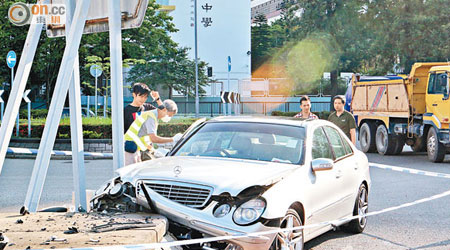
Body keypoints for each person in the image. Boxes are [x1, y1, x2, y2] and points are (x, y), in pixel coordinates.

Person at [124, 99, 182, 165]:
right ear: (164, 109)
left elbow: (143, 136)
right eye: (169, 115)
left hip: (134, 148)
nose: (168, 118)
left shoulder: (153, 116)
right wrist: (172, 139)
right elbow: (153, 138)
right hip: (130, 147)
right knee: (131, 172)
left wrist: (153, 150)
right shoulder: (151, 117)